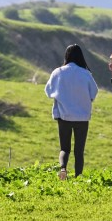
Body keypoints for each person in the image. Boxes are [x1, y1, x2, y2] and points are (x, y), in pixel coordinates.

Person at [45, 44, 99, 180]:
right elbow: (94, 92)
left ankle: (63, 168)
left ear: (66, 56)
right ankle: (78, 177)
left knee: (65, 148)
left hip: (64, 116)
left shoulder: (58, 72)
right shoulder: (86, 74)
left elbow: (48, 91)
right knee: (79, 151)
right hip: (82, 117)